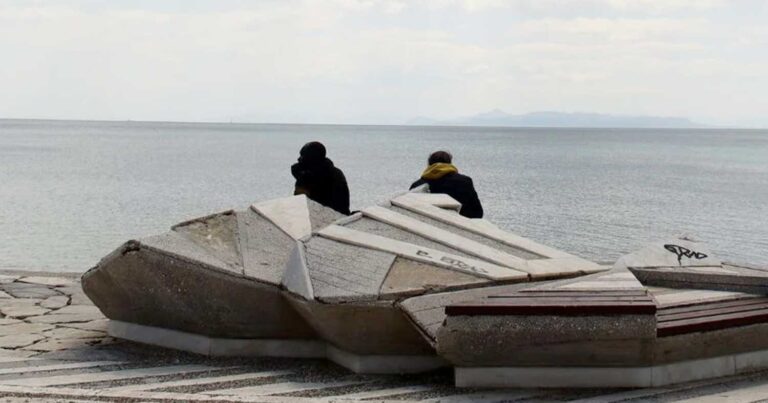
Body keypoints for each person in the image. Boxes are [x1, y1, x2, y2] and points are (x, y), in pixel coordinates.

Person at [410, 150, 483, 218]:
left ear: (429, 164)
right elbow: (477, 212)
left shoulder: (417, 185)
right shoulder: (465, 181)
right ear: (450, 163)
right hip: (459, 225)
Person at [291, 141, 351, 215]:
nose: (299, 159)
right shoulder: (335, 172)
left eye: (302, 156)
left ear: (309, 158)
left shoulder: (308, 177)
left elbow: (300, 203)